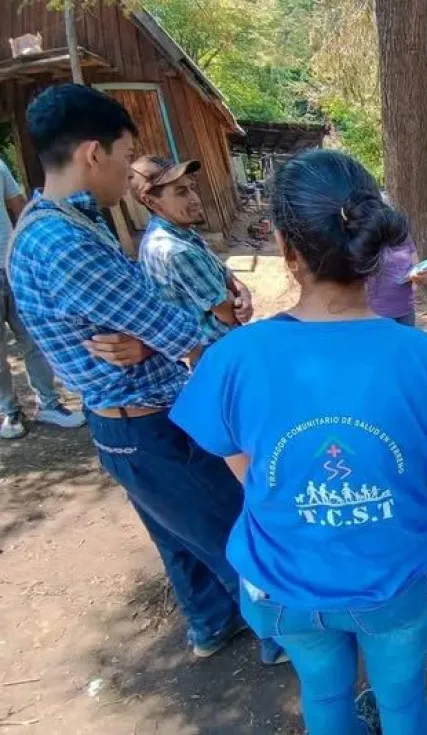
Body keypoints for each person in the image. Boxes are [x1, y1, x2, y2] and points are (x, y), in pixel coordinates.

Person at [170, 149, 427, 735]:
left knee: (323, 698)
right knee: (402, 702)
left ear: (283, 246)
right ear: (373, 248)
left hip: (283, 587)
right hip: (392, 580)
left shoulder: (231, 360)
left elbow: (254, 477)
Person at [6, 84, 283, 665]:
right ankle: (284, 641)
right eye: (125, 156)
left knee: (178, 536)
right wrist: (209, 327)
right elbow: (179, 331)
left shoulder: (61, 221)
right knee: (232, 533)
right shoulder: (63, 243)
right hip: (147, 423)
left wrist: (154, 337)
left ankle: (211, 626)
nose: (128, 173)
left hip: (128, 424)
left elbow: (148, 322)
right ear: (91, 154)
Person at [0, 156, 85, 439]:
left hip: (10, 263)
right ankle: (9, 411)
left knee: (33, 338)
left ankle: (49, 404)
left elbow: (17, 206)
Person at [130, 155, 253, 344]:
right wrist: (230, 295)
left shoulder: (183, 233)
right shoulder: (175, 250)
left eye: (191, 189)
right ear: (151, 202)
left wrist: (242, 292)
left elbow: (225, 274)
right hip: (216, 349)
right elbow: (228, 313)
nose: (195, 198)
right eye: (181, 192)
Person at [365, 194, 427, 325]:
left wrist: (419, 278)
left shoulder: (404, 236)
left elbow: (416, 268)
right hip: (377, 314)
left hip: (406, 311)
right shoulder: (367, 240)